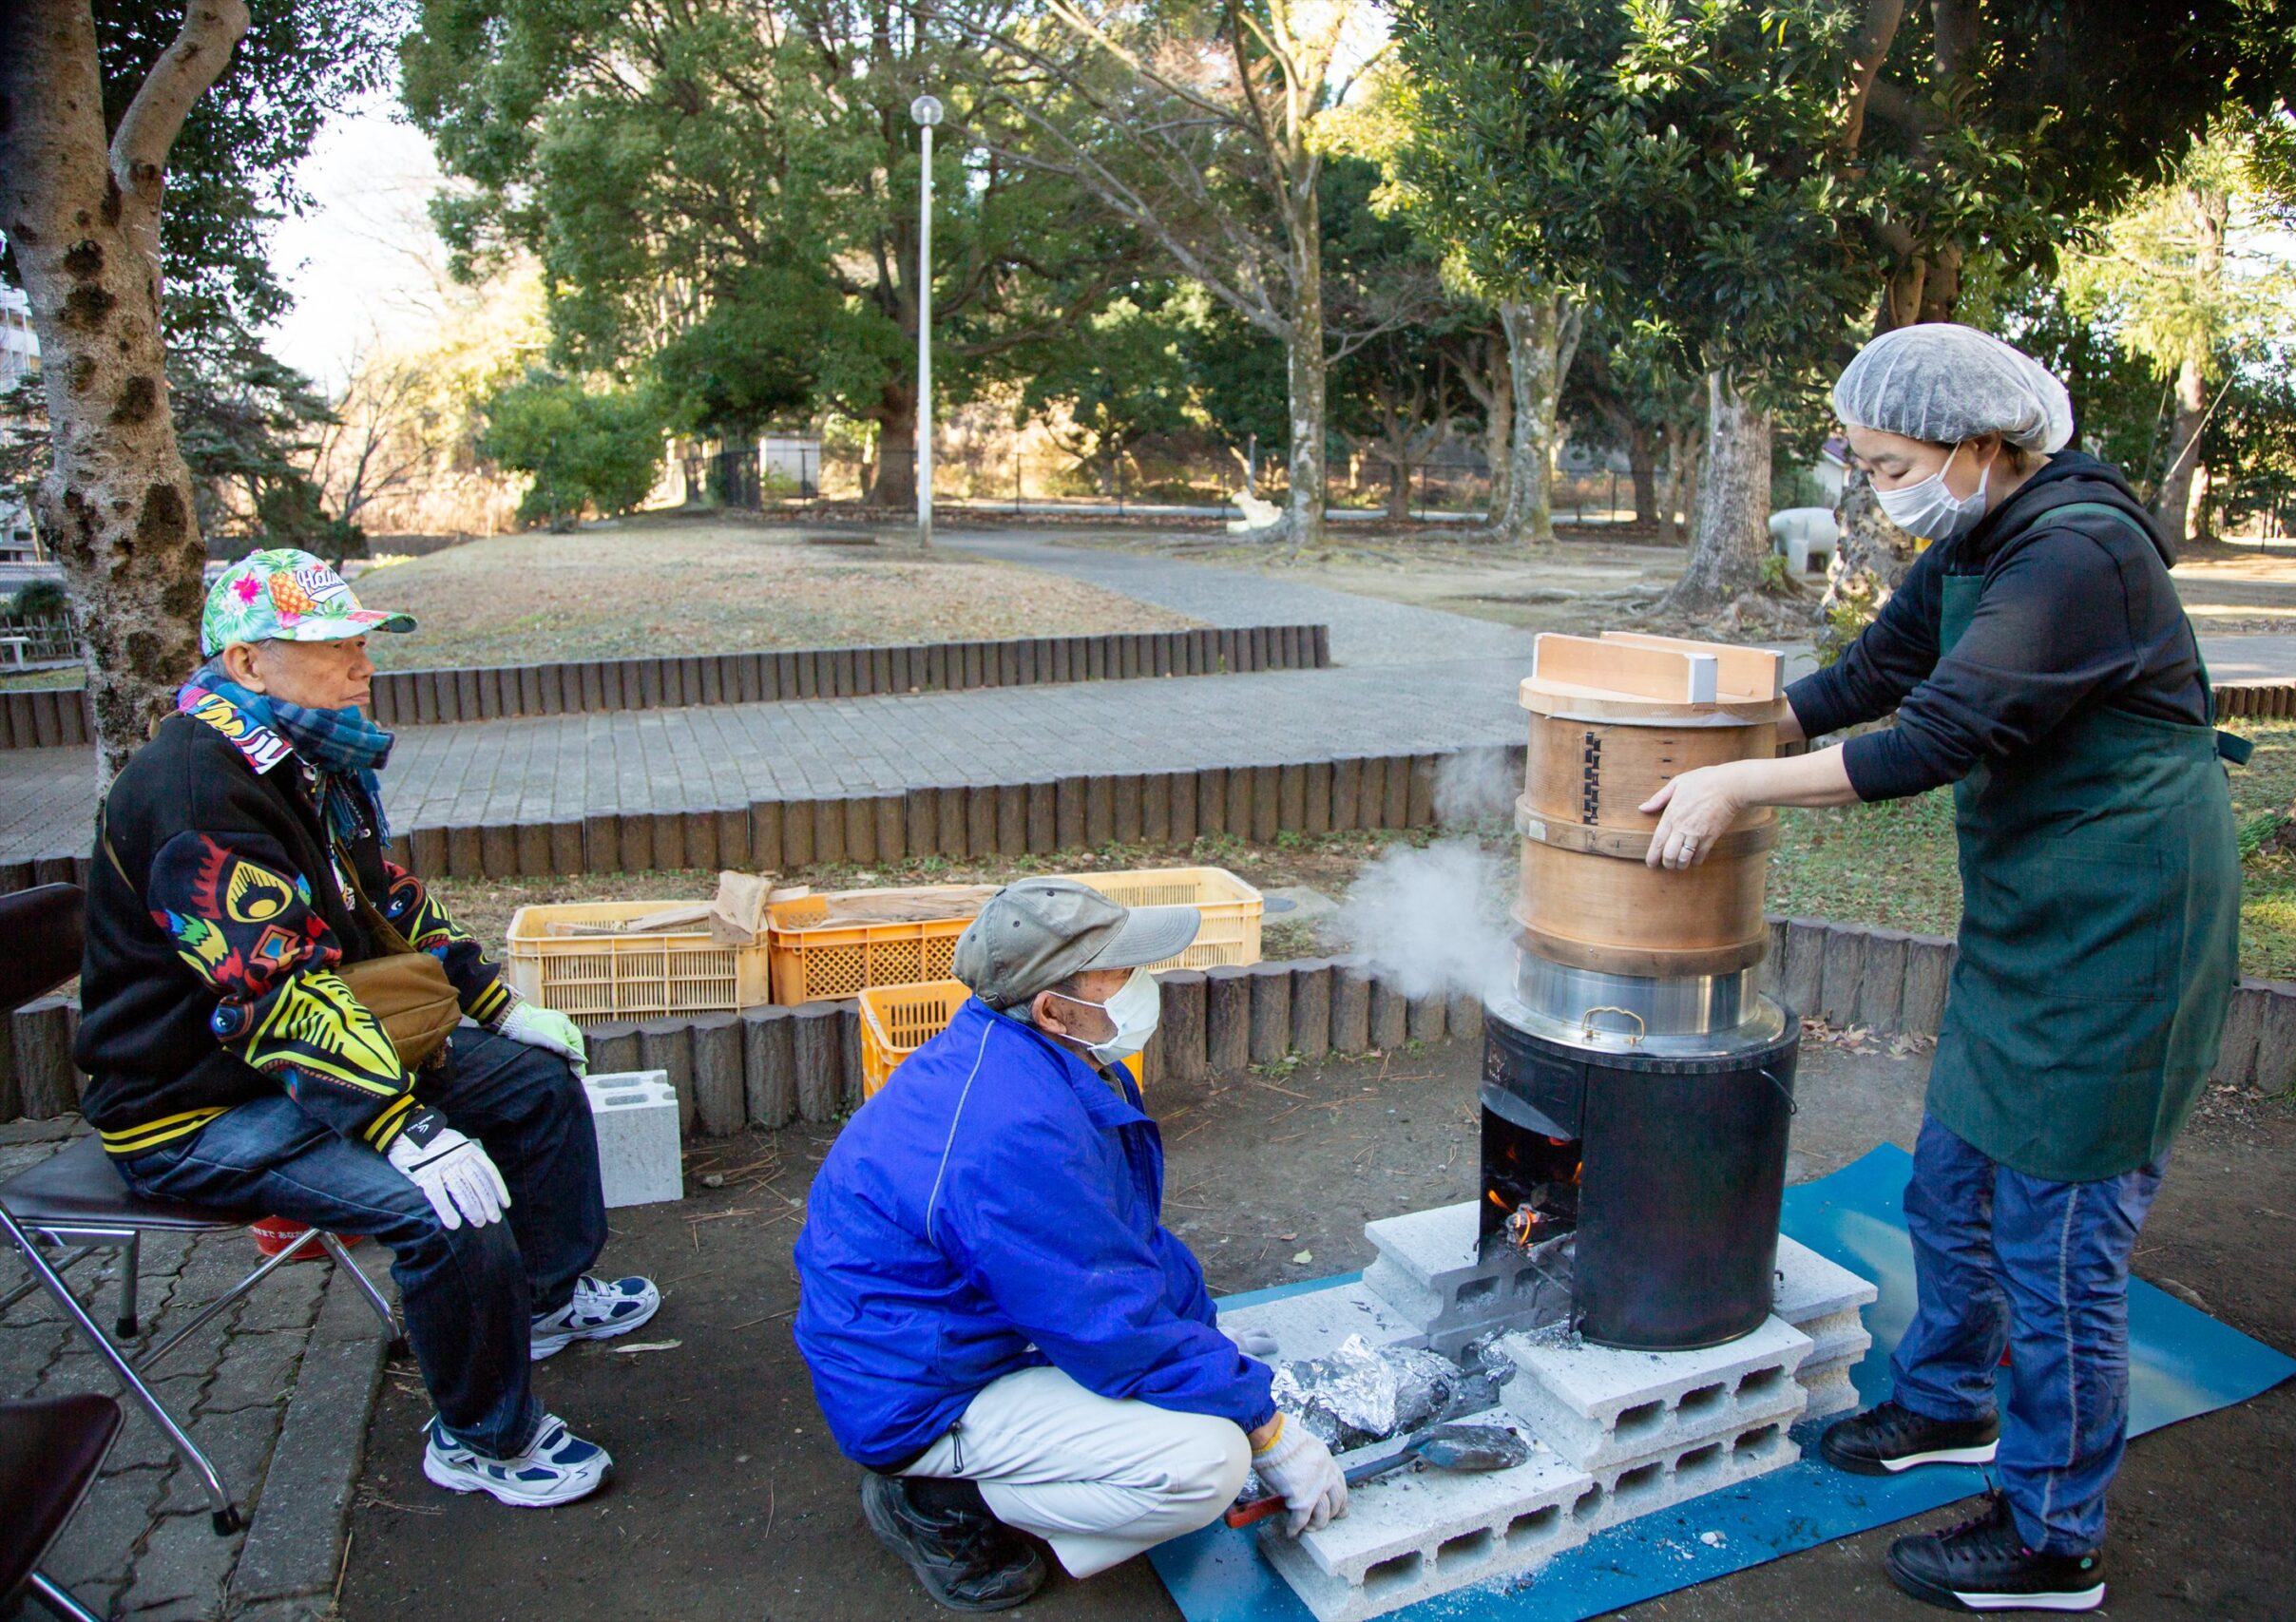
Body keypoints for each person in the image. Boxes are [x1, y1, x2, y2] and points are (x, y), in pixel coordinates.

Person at [1642, 325, 2241, 1613]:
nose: (1874, 488)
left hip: (2125, 931)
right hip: (2037, 912)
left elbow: (1939, 732)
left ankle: (2051, 1533)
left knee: (2061, 1238)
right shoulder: (1979, 535)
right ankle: (1949, 1401)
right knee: (1957, 1175)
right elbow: (1870, 675)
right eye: (1858, 464)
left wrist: (1742, 783)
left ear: (1980, 445)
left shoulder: (2082, 548)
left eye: (1891, 461)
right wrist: (1682, 731)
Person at [76, 549, 660, 1509]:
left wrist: (495, 1005)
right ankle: (480, 1437)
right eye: (331, 646)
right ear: (247, 665)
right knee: (439, 1202)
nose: (361, 666)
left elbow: (385, 900)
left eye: (360, 642)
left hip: (301, 1060)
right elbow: (267, 992)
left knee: (532, 1082)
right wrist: (401, 1124)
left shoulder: (304, 759)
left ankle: (544, 1299)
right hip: (191, 1104)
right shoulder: (193, 791)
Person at [793, 879, 1349, 1612]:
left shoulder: (1049, 1061)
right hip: (917, 1389)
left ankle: (1006, 1477)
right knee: (1209, 1463)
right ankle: (938, 1501)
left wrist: (1208, 1345)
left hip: (952, 1336)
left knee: (1198, 1388)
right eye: (1120, 973)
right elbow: (1104, 1315)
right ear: (1053, 1007)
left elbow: (1126, 1247)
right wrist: (1268, 1430)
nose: (1142, 985)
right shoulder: (1014, 1129)